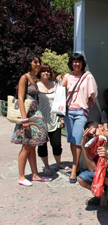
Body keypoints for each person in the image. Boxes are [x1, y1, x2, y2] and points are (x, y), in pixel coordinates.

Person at [11, 53, 51, 186]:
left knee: (32, 146)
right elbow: (21, 98)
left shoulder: (34, 78)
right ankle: (21, 176)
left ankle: (35, 174)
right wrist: (24, 119)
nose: (38, 64)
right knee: (26, 146)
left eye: (39, 62)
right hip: (27, 117)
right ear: (29, 63)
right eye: (35, 62)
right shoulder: (25, 78)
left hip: (34, 117)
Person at [62, 53, 98, 183]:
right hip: (68, 112)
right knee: (72, 140)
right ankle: (76, 166)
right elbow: (60, 89)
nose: (77, 64)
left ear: (83, 63)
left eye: (79, 61)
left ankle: (73, 168)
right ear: (71, 63)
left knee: (78, 139)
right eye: (74, 61)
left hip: (80, 112)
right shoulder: (67, 76)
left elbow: (93, 93)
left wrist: (85, 105)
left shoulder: (87, 76)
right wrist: (60, 79)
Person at [37, 63, 69, 176]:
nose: (46, 73)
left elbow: (61, 101)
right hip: (39, 120)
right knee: (42, 145)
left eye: (48, 71)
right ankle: (46, 166)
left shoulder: (56, 85)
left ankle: (58, 163)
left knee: (56, 144)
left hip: (54, 119)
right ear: (39, 73)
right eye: (43, 71)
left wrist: (61, 118)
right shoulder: (35, 86)